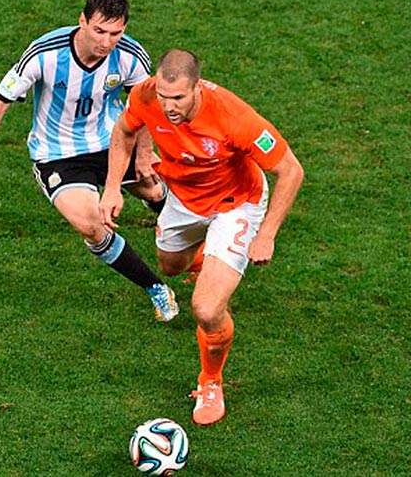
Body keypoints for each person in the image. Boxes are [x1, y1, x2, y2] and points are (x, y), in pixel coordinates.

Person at [99, 49, 304, 425]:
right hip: (184, 199)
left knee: (207, 309)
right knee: (170, 267)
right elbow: (125, 130)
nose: (168, 105)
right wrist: (112, 187)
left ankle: (210, 381)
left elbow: (291, 171)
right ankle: (211, 261)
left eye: (177, 98)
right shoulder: (146, 96)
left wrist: (267, 234)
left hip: (234, 204)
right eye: (164, 95)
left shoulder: (234, 118)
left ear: (197, 88)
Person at [0, 0, 178, 321]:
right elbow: (0, 99)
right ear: (82, 21)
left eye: (115, 33)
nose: (106, 42)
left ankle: (190, 251)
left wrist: (144, 155)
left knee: (157, 190)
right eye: (99, 31)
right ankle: (155, 288)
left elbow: (145, 105)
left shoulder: (130, 55)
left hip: (112, 143)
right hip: (58, 155)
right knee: (90, 225)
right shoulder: (44, 53)